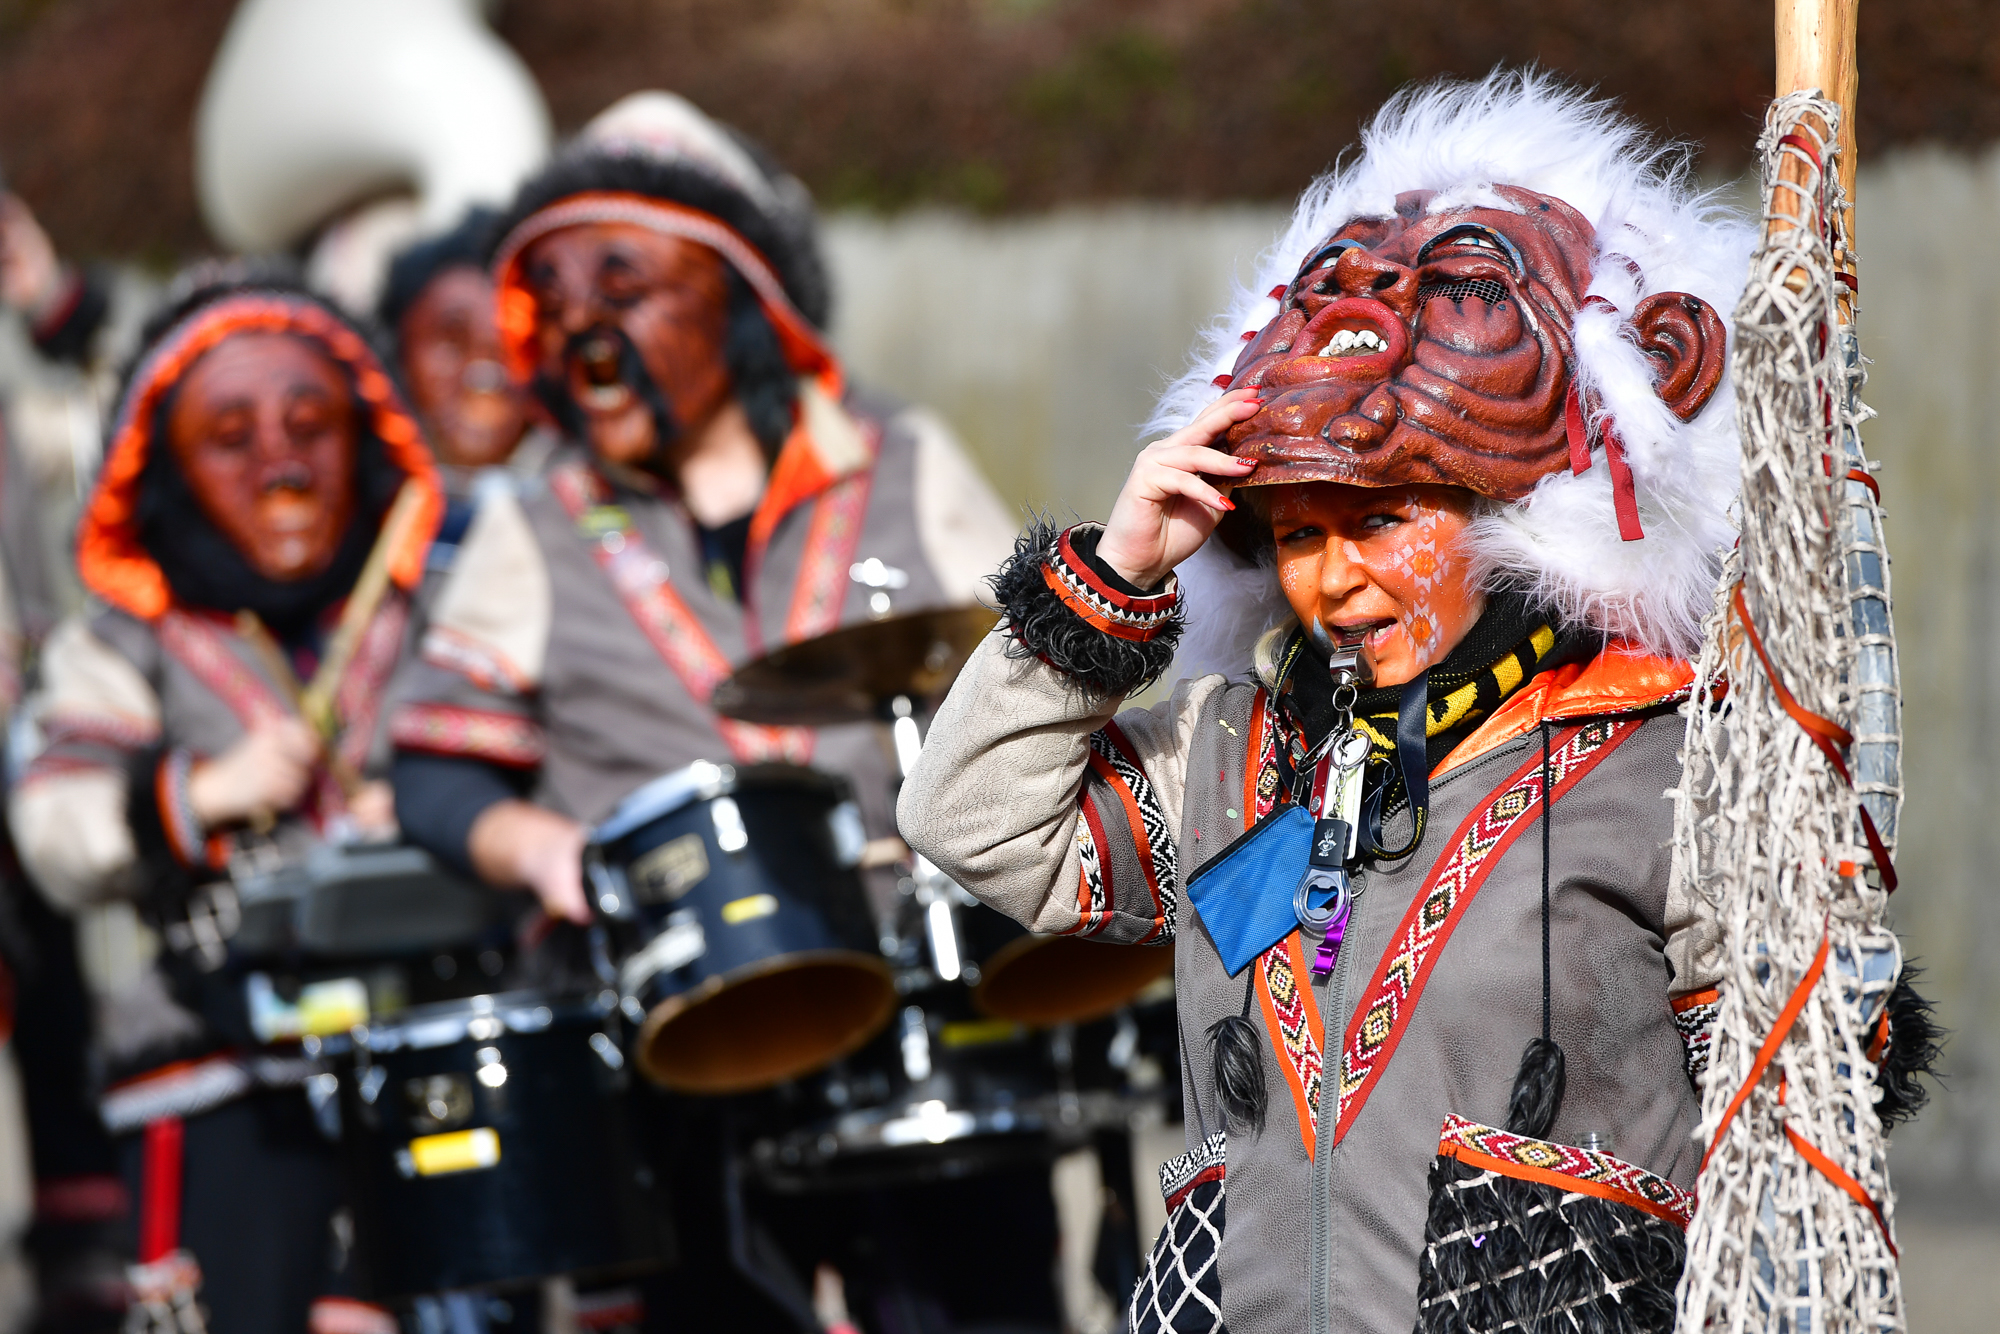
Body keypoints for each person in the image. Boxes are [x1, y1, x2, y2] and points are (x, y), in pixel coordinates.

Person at [900, 73, 1762, 1334]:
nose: (1333, 576)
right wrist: (1121, 572)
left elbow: (1781, 1157)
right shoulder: (1225, 751)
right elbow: (969, 816)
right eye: (1295, 531)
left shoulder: (1670, 763)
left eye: (1386, 517)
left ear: (1522, 516)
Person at [384, 92, 1024, 1331]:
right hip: (679, 1032)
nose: (582, 328)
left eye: (623, 287)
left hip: (919, 1008)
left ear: (739, 300)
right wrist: (545, 851)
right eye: (556, 303)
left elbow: (1037, 684)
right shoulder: (534, 514)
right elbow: (430, 766)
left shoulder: (901, 459)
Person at [8, 273, 441, 1334]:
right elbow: (55, 824)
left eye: (310, 426)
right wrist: (200, 794)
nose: (280, 465)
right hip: (217, 1080)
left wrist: (436, 803)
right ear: (169, 466)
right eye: (230, 436)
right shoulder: (128, 635)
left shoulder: (432, 603)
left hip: (433, 1052)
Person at [377, 207, 555, 587]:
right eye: (451, 341)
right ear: (399, 356)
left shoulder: (593, 514)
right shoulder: (358, 519)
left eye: (508, 344)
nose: (483, 371)